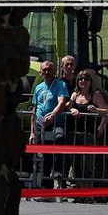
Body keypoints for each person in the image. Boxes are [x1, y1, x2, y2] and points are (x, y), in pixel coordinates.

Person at [67, 70, 108, 203]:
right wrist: (71, 109)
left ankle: (89, 194)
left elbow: (106, 111)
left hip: (89, 134)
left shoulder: (95, 95)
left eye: (85, 79)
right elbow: (68, 107)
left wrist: (97, 110)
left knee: (88, 165)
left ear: (90, 82)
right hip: (74, 134)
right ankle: (80, 193)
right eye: (80, 79)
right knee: (77, 165)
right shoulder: (75, 95)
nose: (82, 82)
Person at [29, 60, 70, 199]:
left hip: (56, 122)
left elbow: (62, 102)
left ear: (54, 71)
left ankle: (58, 172)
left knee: (59, 139)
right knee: (44, 155)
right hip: (41, 123)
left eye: (50, 70)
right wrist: (32, 132)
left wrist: (53, 115)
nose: (47, 72)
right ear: (41, 72)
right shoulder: (38, 88)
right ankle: (46, 190)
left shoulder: (60, 85)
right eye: (44, 70)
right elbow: (35, 109)